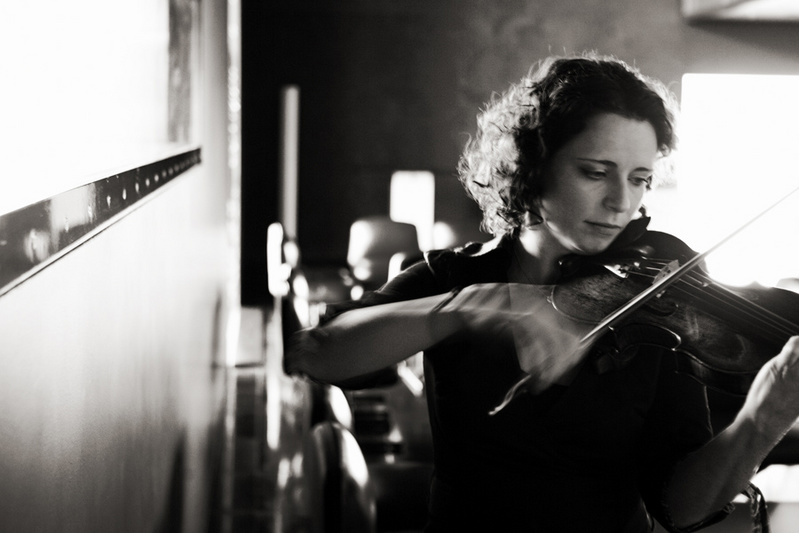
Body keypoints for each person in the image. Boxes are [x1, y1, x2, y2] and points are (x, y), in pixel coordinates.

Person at [285, 53, 799, 532]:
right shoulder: (454, 276)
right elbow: (318, 354)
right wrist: (467, 306)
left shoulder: (663, 297)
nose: (621, 202)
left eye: (640, 179)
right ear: (533, 166)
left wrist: (761, 421)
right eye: (595, 172)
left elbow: (682, 507)